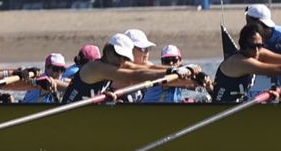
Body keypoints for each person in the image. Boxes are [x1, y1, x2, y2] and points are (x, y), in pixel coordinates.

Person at [62, 33, 193, 103]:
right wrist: (172, 71)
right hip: (70, 115)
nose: (121, 60)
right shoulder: (96, 68)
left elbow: (141, 68)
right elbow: (135, 76)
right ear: (108, 51)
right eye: (119, 55)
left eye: (124, 57)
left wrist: (180, 70)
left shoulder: (115, 62)